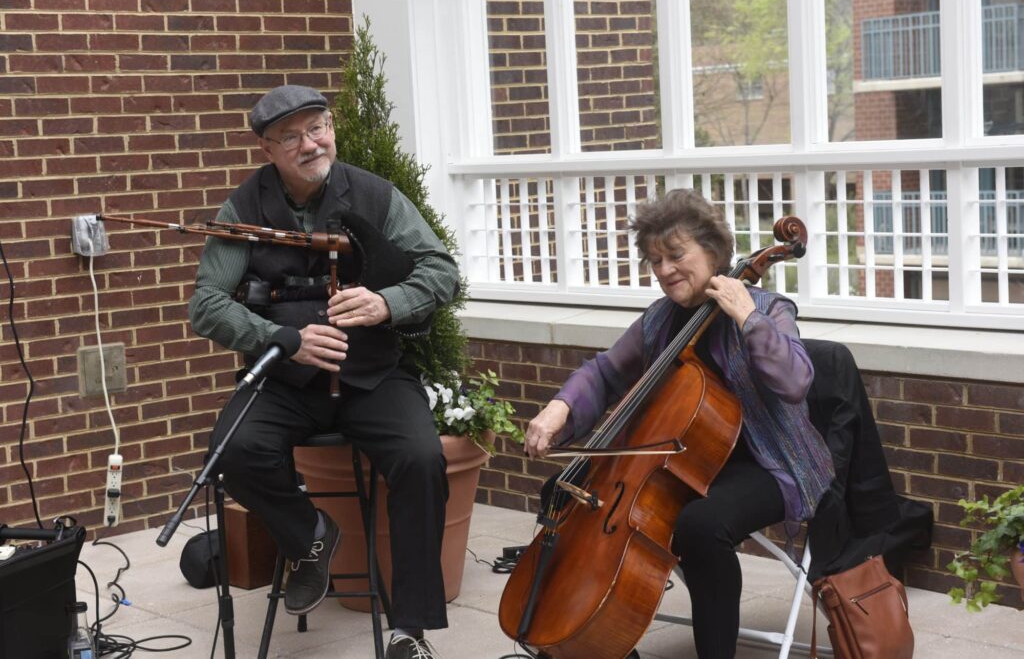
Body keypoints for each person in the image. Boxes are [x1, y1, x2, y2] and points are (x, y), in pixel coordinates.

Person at [188, 85, 458, 659]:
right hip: (285, 381)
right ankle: (310, 536)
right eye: (291, 136)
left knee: (421, 457)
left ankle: (410, 628)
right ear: (266, 147)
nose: (311, 144)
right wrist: (281, 340)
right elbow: (207, 304)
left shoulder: (375, 194)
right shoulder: (242, 207)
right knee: (232, 451)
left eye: (318, 128)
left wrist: (389, 302)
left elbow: (440, 271)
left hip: (373, 374)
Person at [524, 189, 835, 659]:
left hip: (770, 461)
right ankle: (601, 636)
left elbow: (795, 381)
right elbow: (607, 371)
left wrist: (747, 317)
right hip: (686, 462)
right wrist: (560, 408)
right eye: (655, 260)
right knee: (563, 493)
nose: (665, 270)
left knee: (700, 527)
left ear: (712, 251)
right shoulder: (660, 319)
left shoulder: (769, 309)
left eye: (675, 255)